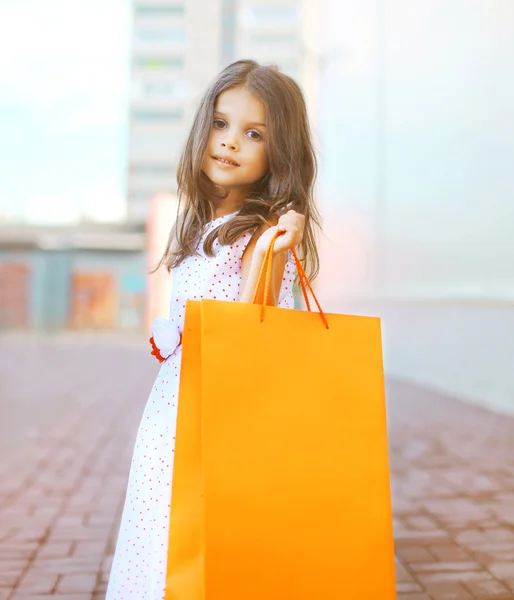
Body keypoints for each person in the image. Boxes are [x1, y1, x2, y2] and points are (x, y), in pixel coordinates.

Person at [105, 58, 321, 599]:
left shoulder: (258, 234)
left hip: (216, 415)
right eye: (221, 124)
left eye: (253, 133)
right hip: (174, 414)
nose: (229, 143)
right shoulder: (206, 226)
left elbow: (258, 327)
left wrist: (278, 243)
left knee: (200, 547)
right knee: (161, 541)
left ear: (279, 153)